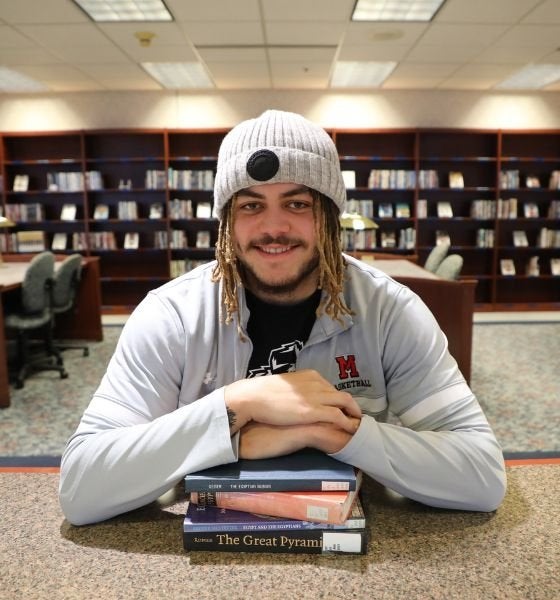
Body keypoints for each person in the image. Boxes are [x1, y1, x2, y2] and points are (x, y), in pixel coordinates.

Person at [59, 110, 506, 526]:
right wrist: (234, 411)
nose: (274, 228)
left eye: (297, 204)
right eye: (251, 205)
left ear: (330, 218)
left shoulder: (391, 312)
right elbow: (82, 488)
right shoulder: (171, 315)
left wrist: (332, 433)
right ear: (226, 224)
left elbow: (481, 476)